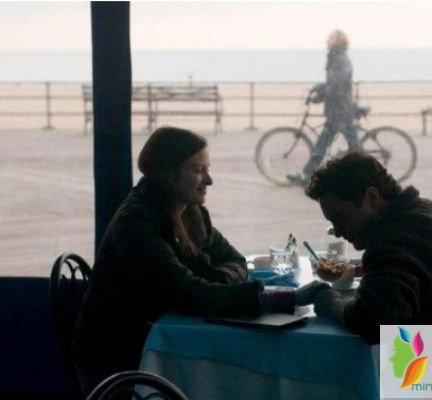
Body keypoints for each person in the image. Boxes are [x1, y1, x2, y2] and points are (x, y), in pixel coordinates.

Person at [72, 126, 327, 395]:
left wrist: (215, 282)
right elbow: (190, 294)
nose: (209, 180)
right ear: (168, 173)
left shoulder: (192, 212)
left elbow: (236, 261)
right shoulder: (136, 224)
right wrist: (284, 298)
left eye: (208, 169)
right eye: (198, 170)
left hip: (161, 341)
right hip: (119, 360)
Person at [304, 150, 432, 343]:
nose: (338, 232)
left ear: (372, 197)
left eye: (341, 218)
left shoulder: (397, 239)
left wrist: (333, 304)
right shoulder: (421, 211)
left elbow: (373, 323)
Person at [288, 29, 358, 186]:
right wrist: (318, 88)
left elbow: (337, 86)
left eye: (330, 38)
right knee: (323, 146)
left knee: (353, 149)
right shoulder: (336, 58)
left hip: (340, 111)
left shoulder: (339, 59)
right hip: (337, 110)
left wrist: (320, 96)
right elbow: (332, 83)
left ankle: (372, 178)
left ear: (337, 41)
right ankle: (305, 175)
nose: (327, 41)